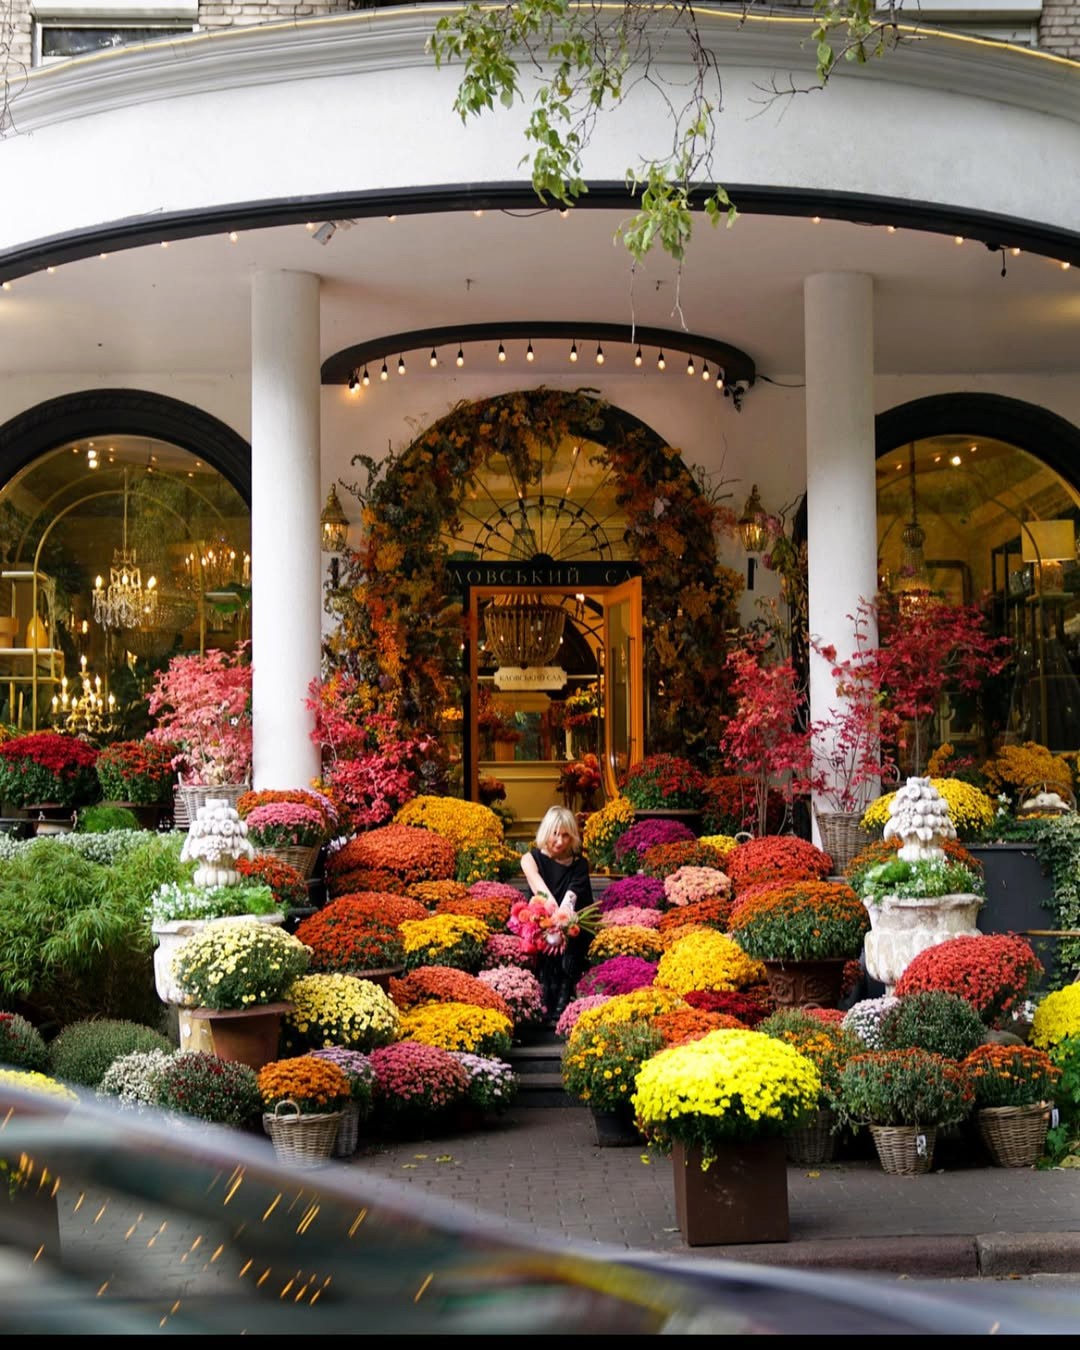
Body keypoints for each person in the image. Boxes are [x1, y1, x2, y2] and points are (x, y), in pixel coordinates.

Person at [520, 805, 594, 1025]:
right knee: (542, 936)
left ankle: (562, 995)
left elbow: (569, 902)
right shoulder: (530, 859)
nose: (560, 841)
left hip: (571, 923)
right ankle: (544, 994)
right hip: (543, 919)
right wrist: (551, 924)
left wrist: (560, 924)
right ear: (546, 832)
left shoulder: (579, 865)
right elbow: (543, 896)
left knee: (570, 937)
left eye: (565, 835)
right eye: (555, 834)